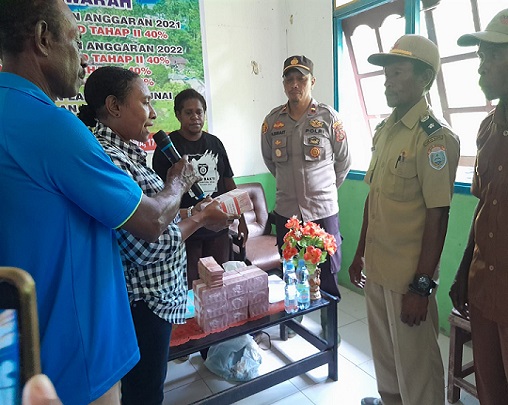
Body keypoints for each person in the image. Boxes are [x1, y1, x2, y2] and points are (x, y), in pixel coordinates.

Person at [0, 1, 228, 404]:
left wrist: (189, 209)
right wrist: (178, 184)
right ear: (42, 39)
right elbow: (150, 224)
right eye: (75, 40)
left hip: (30, 347)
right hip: (74, 353)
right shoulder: (54, 127)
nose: (83, 57)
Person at [78, 66, 236, 405]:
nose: (152, 114)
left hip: (153, 301)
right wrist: (195, 210)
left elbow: (159, 216)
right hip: (143, 305)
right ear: (114, 106)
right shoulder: (109, 158)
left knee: (149, 387)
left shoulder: (128, 153)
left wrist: (193, 211)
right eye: (146, 102)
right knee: (145, 394)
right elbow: (147, 244)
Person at [348, 35, 460, 405]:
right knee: (387, 365)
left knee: (418, 372)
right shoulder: (385, 131)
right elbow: (375, 197)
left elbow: (438, 214)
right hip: (377, 270)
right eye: (386, 74)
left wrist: (421, 288)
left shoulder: (434, 139)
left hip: (407, 279)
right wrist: (360, 253)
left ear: (425, 78)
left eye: (397, 73)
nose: (387, 81)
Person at [260, 55, 351, 335]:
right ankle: (293, 321)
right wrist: (291, 188)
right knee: (291, 266)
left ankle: (329, 326)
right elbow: (271, 162)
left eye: (301, 78)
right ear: (284, 84)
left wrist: (322, 191)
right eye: (289, 79)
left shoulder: (329, 118)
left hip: (323, 211)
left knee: (328, 270)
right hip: (287, 211)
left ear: (312, 81)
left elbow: (343, 162)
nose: (294, 84)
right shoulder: (272, 121)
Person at [450, 9, 508, 405]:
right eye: (481, 56)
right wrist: (462, 270)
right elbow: (483, 206)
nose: (481, 67)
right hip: (484, 289)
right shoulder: (487, 128)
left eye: (493, 55)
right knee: (491, 392)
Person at [153, 88, 248, 289]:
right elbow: (160, 194)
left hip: (218, 230)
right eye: (188, 112)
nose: (195, 117)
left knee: (219, 285)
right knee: (191, 287)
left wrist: (242, 221)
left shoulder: (215, 143)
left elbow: (229, 183)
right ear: (178, 115)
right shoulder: (167, 148)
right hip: (186, 232)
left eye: (199, 112)